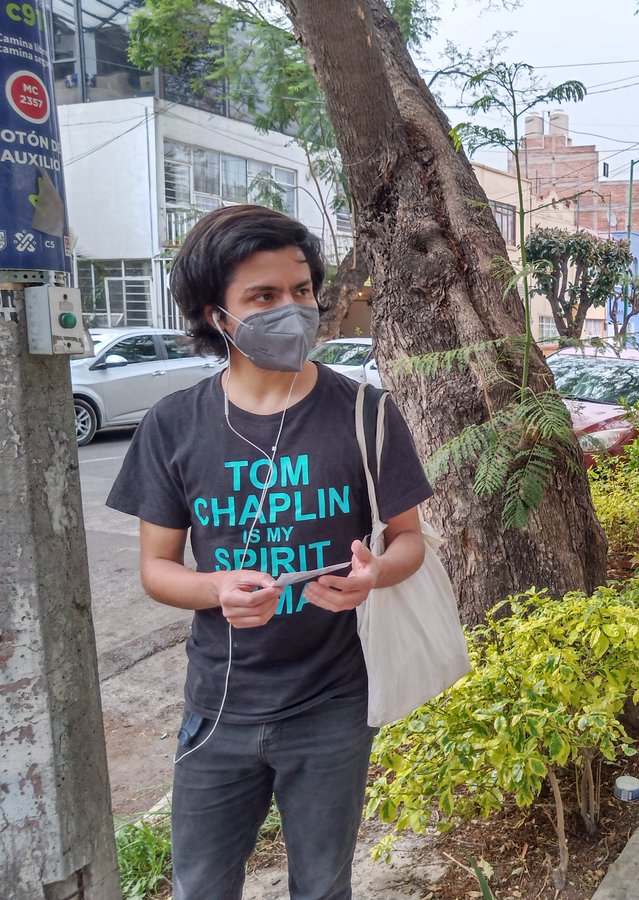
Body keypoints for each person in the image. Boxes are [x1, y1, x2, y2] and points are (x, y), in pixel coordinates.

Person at [107, 205, 432, 899]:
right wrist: (216, 590)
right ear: (214, 315)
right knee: (201, 886)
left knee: (322, 888)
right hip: (218, 706)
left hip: (333, 705)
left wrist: (373, 577)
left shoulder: (366, 414)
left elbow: (408, 542)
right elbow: (157, 570)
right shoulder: (173, 426)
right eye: (263, 296)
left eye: (303, 290)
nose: (293, 310)